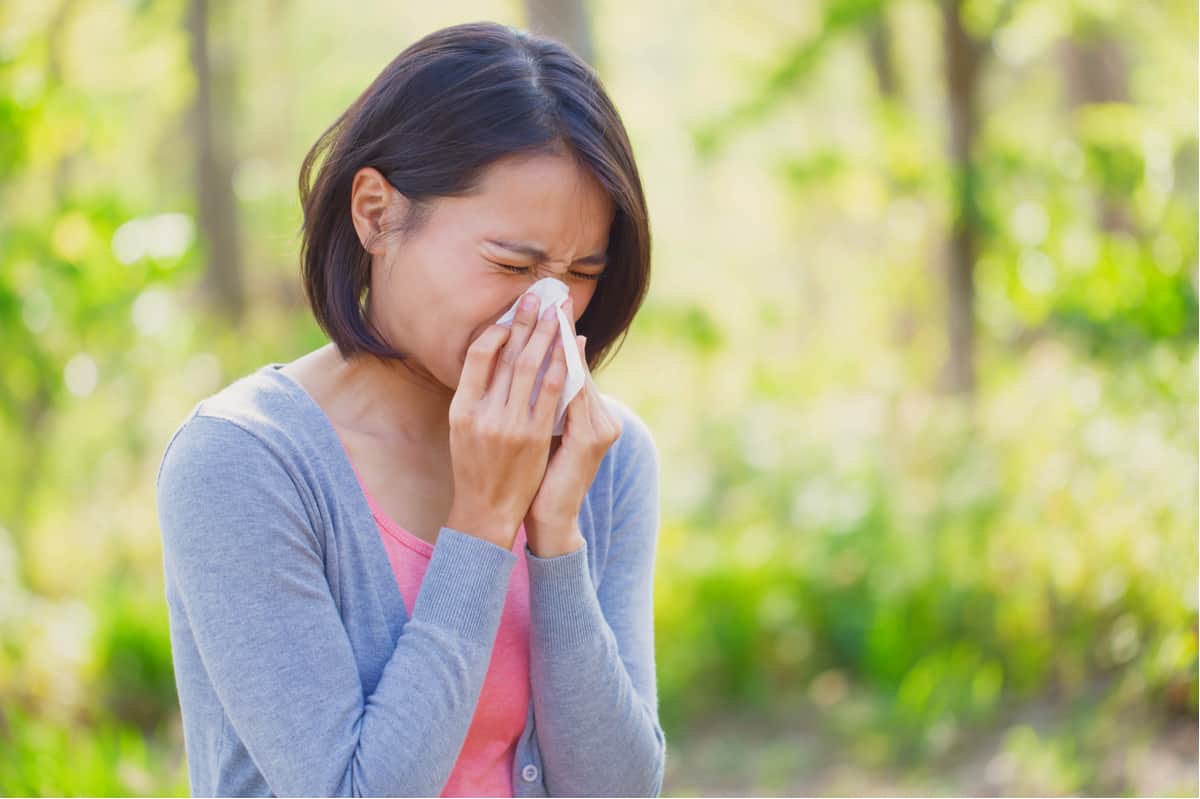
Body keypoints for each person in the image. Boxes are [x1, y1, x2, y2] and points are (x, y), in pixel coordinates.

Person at [155, 19, 665, 798]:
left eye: (581, 272)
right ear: (376, 214)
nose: (547, 308)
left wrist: (556, 539)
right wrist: (485, 523)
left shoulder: (607, 457)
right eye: (511, 262)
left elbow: (619, 789)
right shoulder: (242, 462)